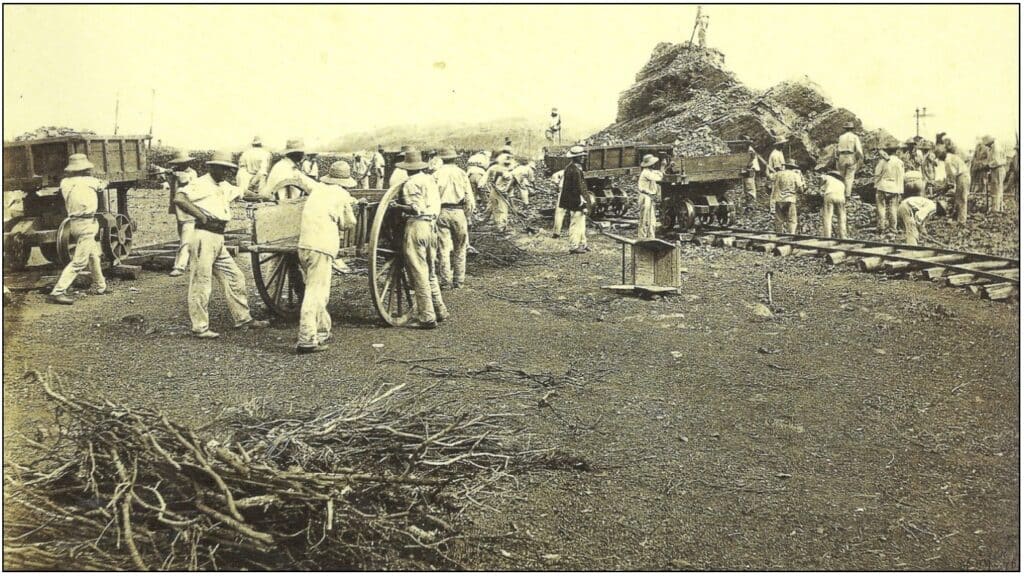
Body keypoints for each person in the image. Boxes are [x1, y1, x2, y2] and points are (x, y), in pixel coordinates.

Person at [174, 151, 269, 338]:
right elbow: (179, 198)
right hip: (203, 235)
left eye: (228, 169)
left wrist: (263, 197)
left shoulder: (224, 185)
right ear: (211, 167)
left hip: (218, 237)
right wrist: (200, 215)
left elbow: (243, 193)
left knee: (236, 277)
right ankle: (200, 327)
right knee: (201, 282)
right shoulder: (200, 183)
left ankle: (243, 318)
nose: (225, 173)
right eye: (221, 169)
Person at [295, 161, 358, 354]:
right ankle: (307, 339)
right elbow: (349, 223)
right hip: (322, 247)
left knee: (317, 288)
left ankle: (322, 331)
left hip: (304, 245)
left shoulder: (318, 190)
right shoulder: (342, 195)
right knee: (316, 292)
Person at [394, 150, 448, 329]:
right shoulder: (429, 179)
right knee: (430, 270)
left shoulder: (410, 184)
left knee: (418, 271)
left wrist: (397, 206)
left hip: (417, 226)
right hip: (432, 227)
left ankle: (426, 317)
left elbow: (415, 209)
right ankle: (440, 309)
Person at [47, 154, 108, 305]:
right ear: (86, 168)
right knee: (79, 262)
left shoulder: (65, 182)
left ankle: (101, 286)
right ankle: (58, 291)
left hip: (74, 223)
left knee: (93, 255)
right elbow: (103, 185)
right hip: (87, 224)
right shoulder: (91, 181)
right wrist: (106, 181)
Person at [433, 146, 476, 289]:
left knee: (443, 248)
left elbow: (433, 198)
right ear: (455, 158)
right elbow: (469, 198)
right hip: (458, 212)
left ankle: (445, 281)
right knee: (460, 247)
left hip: (442, 211)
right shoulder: (462, 173)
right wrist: (468, 216)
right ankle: (459, 281)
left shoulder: (436, 174)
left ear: (442, 159)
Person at [163, 151, 199, 277]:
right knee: (185, 239)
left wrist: (173, 173)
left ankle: (180, 266)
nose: (179, 165)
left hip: (190, 211)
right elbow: (167, 180)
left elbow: (184, 180)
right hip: (179, 212)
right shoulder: (175, 173)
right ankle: (193, 261)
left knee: (185, 241)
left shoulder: (191, 174)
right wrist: (166, 173)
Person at [561, 145, 590, 253]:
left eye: (583, 156)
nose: (583, 158)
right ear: (575, 158)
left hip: (576, 200)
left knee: (581, 223)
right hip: (575, 201)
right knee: (575, 223)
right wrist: (581, 204)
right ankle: (574, 246)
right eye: (580, 156)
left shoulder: (574, 168)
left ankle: (582, 243)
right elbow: (575, 189)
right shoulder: (574, 170)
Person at [874, 143, 904, 233]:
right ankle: (893, 228)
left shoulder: (882, 161)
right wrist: (900, 191)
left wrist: (876, 185)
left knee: (881, 207)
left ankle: (881, 227)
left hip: (882, 186)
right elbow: (901, 177)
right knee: (893, 208)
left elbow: (877, 173)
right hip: (894, 187)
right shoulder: (899, 162)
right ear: (896, 151)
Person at [770, 160, 804, 234]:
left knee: (779, 220)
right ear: (793, 167)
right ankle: (791, 235)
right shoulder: (795, 175)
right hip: (790, 199)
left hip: (778, 199)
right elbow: (801, 190)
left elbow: (770, 179)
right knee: (792, 220)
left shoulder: (778, 174)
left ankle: (779, 235)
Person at [485, 153, 516, 232]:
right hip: (499, 192)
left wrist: (494, 182)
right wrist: (505, 191)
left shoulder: (498, 169)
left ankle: (498, 225)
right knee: (502, 209)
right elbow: (511, 182)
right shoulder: (508, 172)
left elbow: (498, 175)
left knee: (496, 208)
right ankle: (501, 227)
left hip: (495, 190)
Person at [637, 154, 663, 239]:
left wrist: (660, 171)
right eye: (653, 163)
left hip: (649, 197)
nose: (655, 164)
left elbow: (657, 172)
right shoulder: (646, 173)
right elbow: (658, 178)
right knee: (644, 219)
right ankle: (642, 238)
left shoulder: (650, 171)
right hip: (645, 197)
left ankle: (651, 237)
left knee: (652, 220)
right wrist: (662, 170)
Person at [944, 143, 971, 225]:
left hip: (962, 177)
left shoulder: (948, 159)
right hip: (962, 176)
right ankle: (959, 218)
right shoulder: (952, 157)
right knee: (959, 198)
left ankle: (962, 221)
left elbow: (951, 174)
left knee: (962, 198)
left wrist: (949, 184)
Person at [835, 122, 863, 198]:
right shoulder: (855, 137)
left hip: (841, 156)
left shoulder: (841, 137)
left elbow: (837, 150)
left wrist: (837, 158)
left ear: (845, 129)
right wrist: (860, 158)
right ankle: (847, 195)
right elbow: (859, 150)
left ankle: (840, 193)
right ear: (852, 129)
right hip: (851, 156)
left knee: (841, 176)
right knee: (849, 176)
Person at [983, 135, 1007, 213]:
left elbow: (996, 161)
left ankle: (996, 209)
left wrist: (988, 165)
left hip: (998, 169)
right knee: (996, 189)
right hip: (995, 169)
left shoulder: (996, 148)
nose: (986, 146)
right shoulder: (992, 147)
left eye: (986, 144)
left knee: (997, 189)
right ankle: (998, 207)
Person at [820, 169, 847, 239]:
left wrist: (820, 187)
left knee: (828, 216)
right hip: (841, 198)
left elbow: (821, 177)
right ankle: (843, 236)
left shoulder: (828, 177)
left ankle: (827, 236)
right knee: (841, 216)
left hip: (830, 195)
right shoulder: (841, 183)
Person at [550, 169, 567, 238]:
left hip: (563, 191)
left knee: (559, 212)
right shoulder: (577, 170)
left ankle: (556, 233)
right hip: (568, 192)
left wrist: (557, 184)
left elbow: (554, 176)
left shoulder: (565, 170)